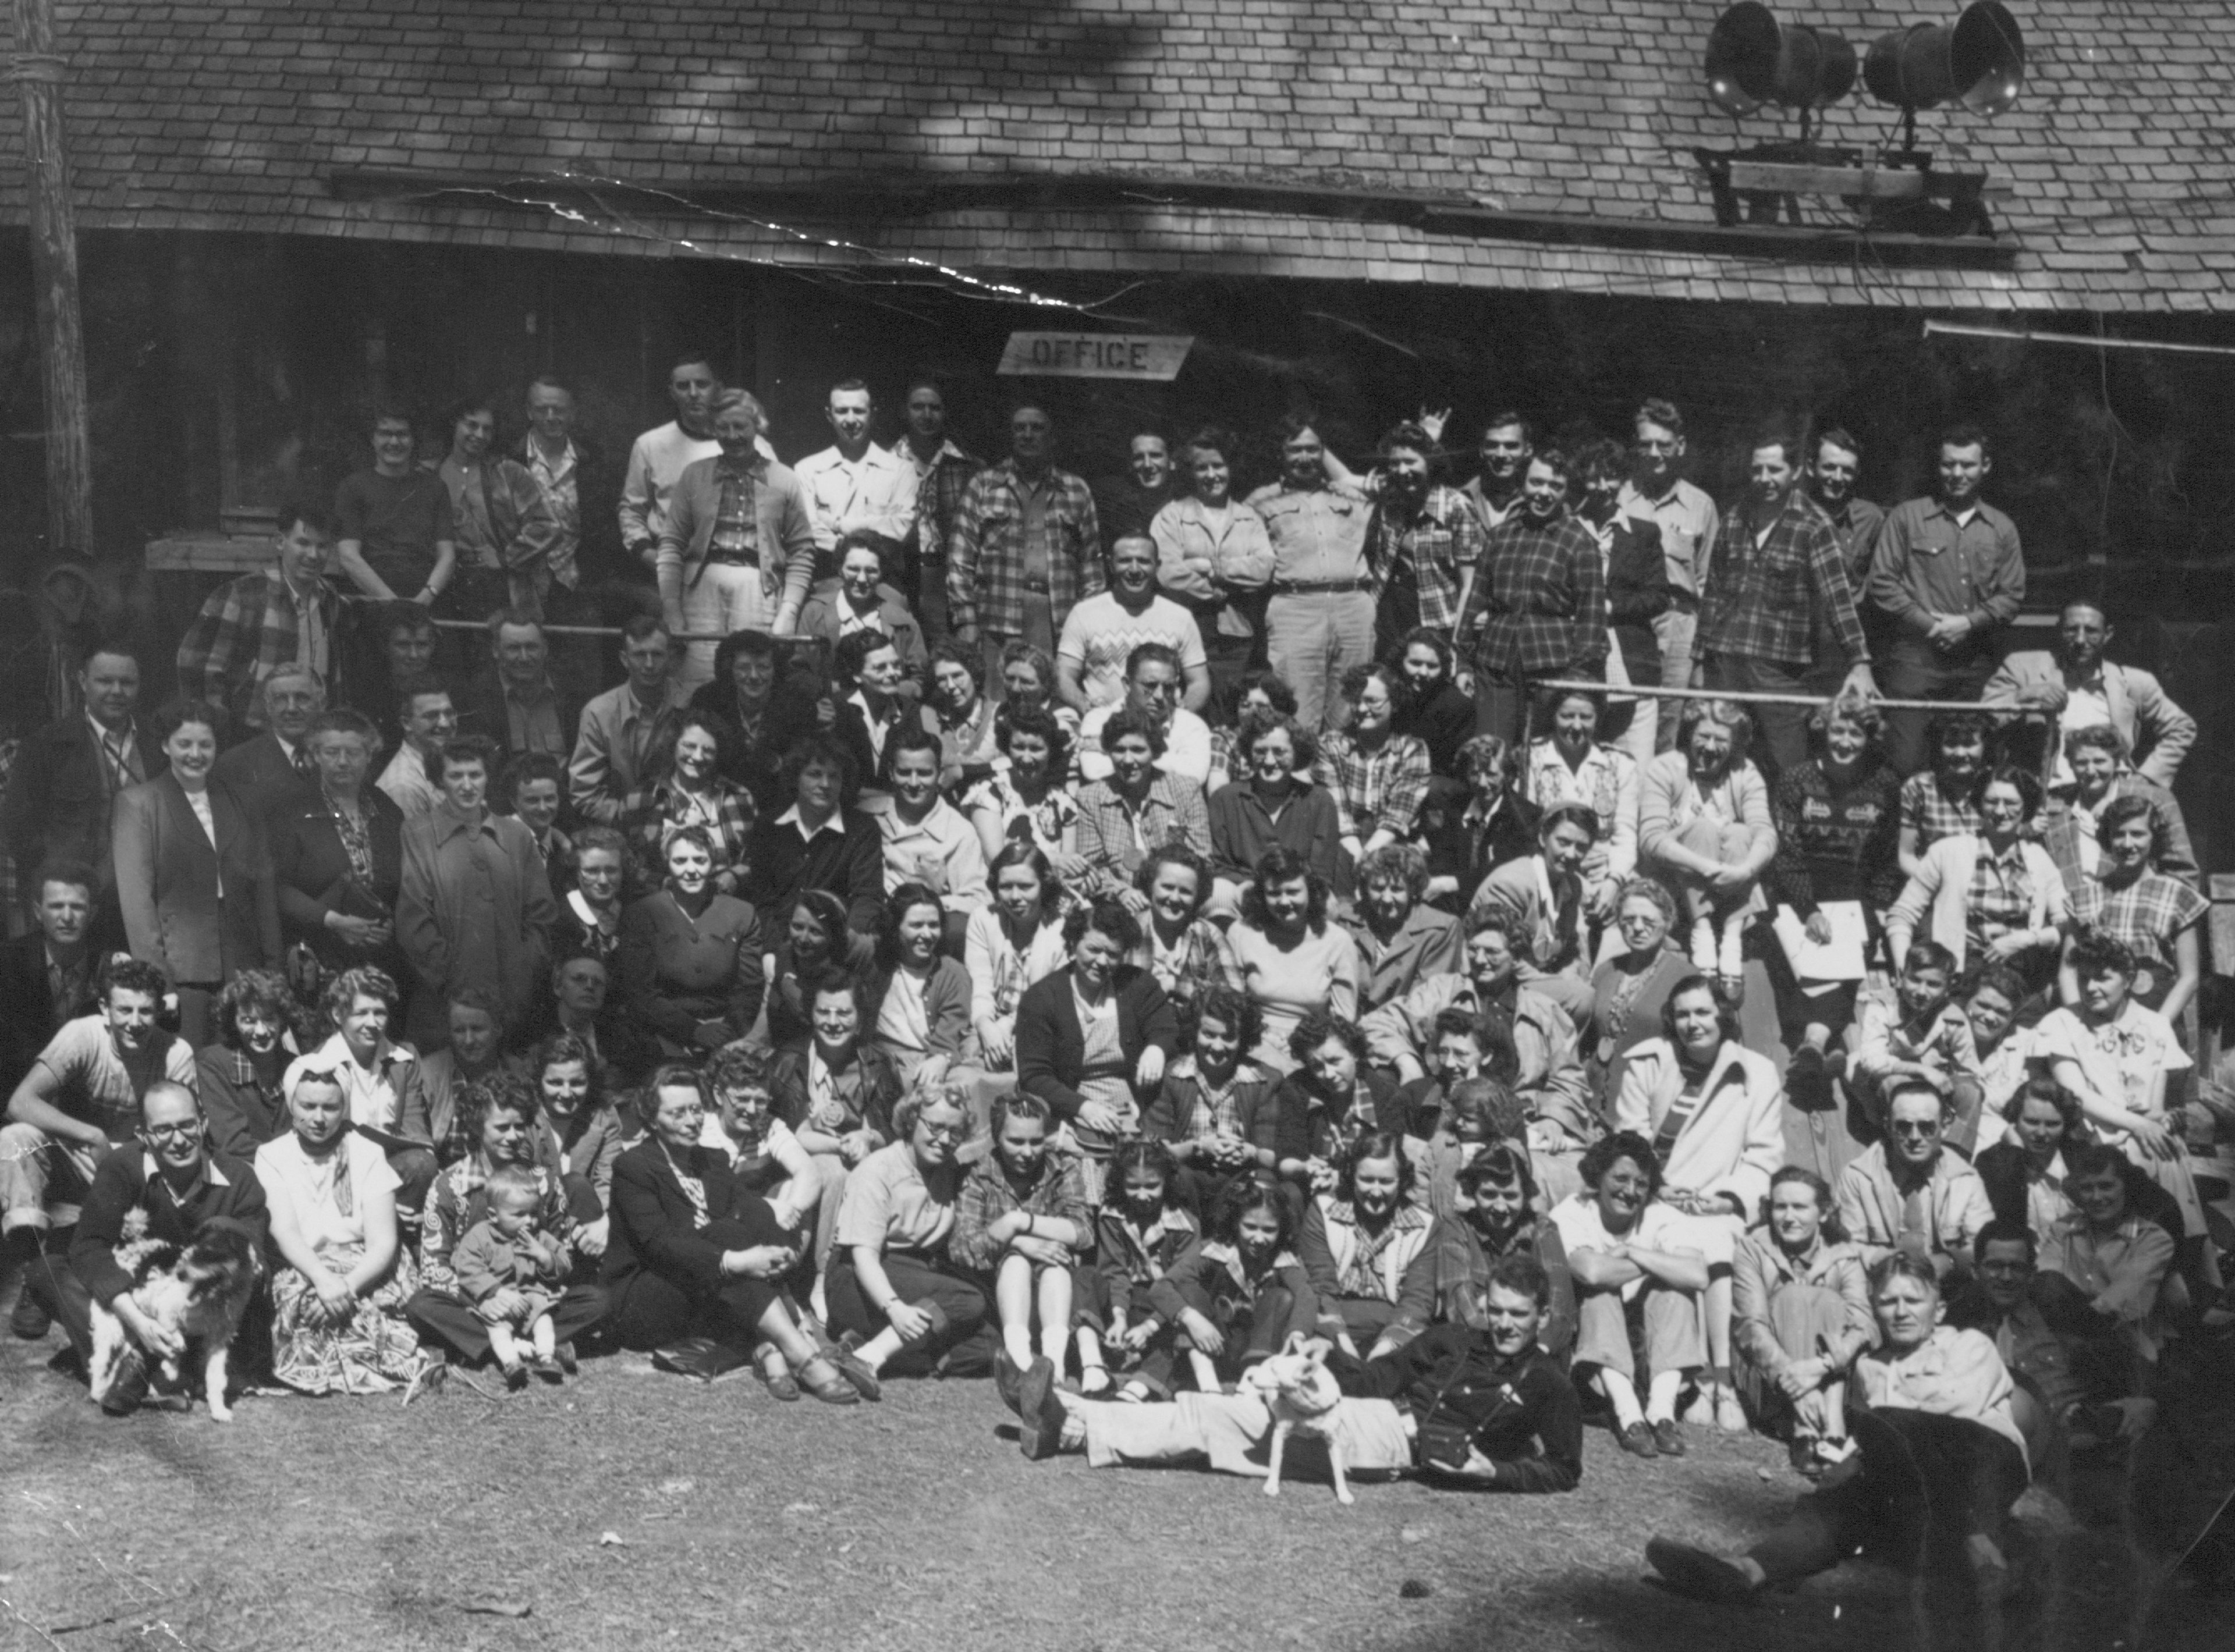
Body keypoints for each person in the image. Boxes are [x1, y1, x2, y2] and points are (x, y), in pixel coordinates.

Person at [1645, 1253, 2030, 1608]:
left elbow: (1956, 1406)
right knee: (1835, 1502)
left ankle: (1982, 1550)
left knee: (1887, 1427)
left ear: (1939, 1308)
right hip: (1914, 1484)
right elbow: (1884, 1444)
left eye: (1913, 1301)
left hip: (1981, 1462)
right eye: (1887, 1302)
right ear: (1874, 1309)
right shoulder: (1868, 1367)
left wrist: (1866, 1448)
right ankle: (1747, 1570)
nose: (1900, 1312)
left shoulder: (1968, 1344)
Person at [605, 1064, 867, 1399]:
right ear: (652, 1118)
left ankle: (771, 1350)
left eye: (696, 1110)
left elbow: (751, 1207)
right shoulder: (634, 1167)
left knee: (735, 1227)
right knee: (724, 1236)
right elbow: (661, 1244)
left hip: (703, 1289)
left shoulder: (712, 1160)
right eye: (677, 1113)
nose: (691, 1121)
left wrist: (777, 1250)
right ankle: (801, 1353)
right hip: (646, 1298)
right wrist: (735, 1262)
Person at [1614, 974, 1786, 1431]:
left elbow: (1764, 1154)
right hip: (1657, 1198)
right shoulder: (1649, 1063)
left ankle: (1722, 1380)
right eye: (1684, 1014)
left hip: (1719, 1201)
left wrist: (1727, 1200)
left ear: (1723, 1015)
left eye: (1704, 1012)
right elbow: (1628, 1141)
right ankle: (1703, 1378)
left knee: (1717, 1241)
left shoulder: (1758, 1071)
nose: (1694, 1024)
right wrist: (1656, 1187)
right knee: (1683, 1240)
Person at [35, 1080, 268, 1411]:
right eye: (163, 1130)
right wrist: (139, 1323)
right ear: (144, 1136)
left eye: (187, 1125)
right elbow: (90, 1246)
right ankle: (151, 1367)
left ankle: (142, 1372)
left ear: (203, 1123)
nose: (179, 1140)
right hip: (138, 1298)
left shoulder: (239, 1179)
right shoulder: (122, 1168)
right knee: (49, 1271)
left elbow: (254, 1259)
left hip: (201, 1311)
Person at [1, 960, 198, 1338]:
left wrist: (127, 1162)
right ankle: (33, 1271)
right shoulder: (83, 1035)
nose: (135, 1021)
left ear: (159, 1011)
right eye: (124, 1009)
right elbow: (20, 1101)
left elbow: (184, 1133)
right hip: (79, 1155)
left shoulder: (176, 1053)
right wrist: (90, 1135)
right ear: (106, 1009)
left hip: (140, 1163)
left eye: (145, 1010)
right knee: (15, 1139)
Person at [1361, 910, 1595, 1202]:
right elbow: (1377, 1023)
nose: (1481, 960)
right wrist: (1406, 1060)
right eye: (1474, 949)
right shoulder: (1443, 992)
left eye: (1493, 952)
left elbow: (1569, 1077)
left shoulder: (1543, 1011)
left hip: (1522, 1118)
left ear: (1516, 956)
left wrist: (1555, 1118)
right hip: (1452, 1113)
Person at [2032, 931, 2209, 1296]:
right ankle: (2170, 1274)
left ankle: (2173, 1268)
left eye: (2103, 977)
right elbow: (2076, 1095)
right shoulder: (2061, 1024)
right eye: (2084, 977)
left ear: (2128, 980)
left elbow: (2155, 1105)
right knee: (2139, 1154)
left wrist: (2159, 1121)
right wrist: (2141, 1125)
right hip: (2091, 1138)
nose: (2091, 987)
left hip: (2142, 1135)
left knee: (2164, 1148)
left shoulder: (2156, 1025)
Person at [1695, 429, 1876, 776]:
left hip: (1781, 672)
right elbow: (1713, 594)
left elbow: (1838, 599)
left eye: (1774, 470)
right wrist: (1698, 659)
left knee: (1787, 765)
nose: (1764, 480)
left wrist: (1860, 662)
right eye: (1757, 470)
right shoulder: (1734, 518)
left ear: (1795, 472)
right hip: (1726, 665)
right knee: (1718, 753)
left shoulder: (1814, 525)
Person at [109, 701, 279, 1050]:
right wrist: (160, 984)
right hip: (182, 970)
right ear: (165, 746)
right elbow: (137, 904)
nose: (196, 754)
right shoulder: (140, 803)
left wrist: (273, 968)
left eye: (206, 744)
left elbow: (264, 886)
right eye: (184, 744)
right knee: (190, 1067)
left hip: (244, 965)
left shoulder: (241, 799)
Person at [254, 1063, 432, 1394]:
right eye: (308, 1106)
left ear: (344, 1108)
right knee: (303, 1306)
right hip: (305, 1263)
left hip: (364, 1264)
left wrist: (346, 1288)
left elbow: (382, 1242)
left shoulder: (367, 1152)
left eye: (330, 1107)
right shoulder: (272, 1155)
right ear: (292, 1104)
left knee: (369, 1307)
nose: (319, 1118)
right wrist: (324, 1281)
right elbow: (287, 1232)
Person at [1868, 424, 2027, 775]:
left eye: (1967, 465)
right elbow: (1882, 583)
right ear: (1937, 465)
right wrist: (1932, 626)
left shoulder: (2001, 528)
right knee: (1906, 762)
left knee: (1966, 762)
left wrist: (1968, 624)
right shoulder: (1906, 517)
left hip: (1973, 666)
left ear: (1985, 467)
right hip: (1914, 662)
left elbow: (2012, 595)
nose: (1957, 474)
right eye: (1948, 464)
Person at [1767, 699, 1902, 1110]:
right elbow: (1786, 853)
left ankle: (1812, 1043)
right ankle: (1821, 1042)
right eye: (1838, 731)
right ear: (1823, 732)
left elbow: (1884, 855)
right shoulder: (1797, 780)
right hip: (1799, 887)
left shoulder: (1884, 784)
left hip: (1856, 892)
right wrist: (1808, 909)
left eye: (1856, 733)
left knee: (1847, 957)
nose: (1845, 741)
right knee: (1804, 954)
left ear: (1868, 738)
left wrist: (1878, 907)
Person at [1552, 1130, 1712, 1458]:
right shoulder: (1574, 1211)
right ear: (1599, 1177)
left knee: (1676, 1294)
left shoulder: (1659, 1214)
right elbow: (1591, 1271)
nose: (1631, 1192)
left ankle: (1662, 1412)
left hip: (1647, 1348)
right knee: (1600, 1293)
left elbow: (1697, 1275)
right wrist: (1661, 1263)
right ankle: (1628, 1414)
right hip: (1592, 1356)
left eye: (1641, 1184)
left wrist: (1634, 1253)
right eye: (1621, 1179)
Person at [826, 1080, 995, 1380]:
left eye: (955, 1132)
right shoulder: (878, 1170)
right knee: (969, 1300)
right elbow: (864, 1256)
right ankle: (872, 1356)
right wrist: (895, 1309)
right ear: (911, 1120)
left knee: (989, 1346)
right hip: (858, 1279)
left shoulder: (947, 1167)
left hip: (914, 1277)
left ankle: (864, 1345)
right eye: (935, 1127)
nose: (944, 1140)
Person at [396, 734, 557, 1048]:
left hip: (512, 1000)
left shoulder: (516, 835)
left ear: (488, 778)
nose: (467, 785)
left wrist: (521, 971)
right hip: (446, 1004)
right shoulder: (417, 834)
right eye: (456, 776)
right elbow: (414, 922)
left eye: (475, 775)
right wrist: (457, 986)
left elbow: (543, 916)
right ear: (439, 781)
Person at [1015, 898, 1178, 1196]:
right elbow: (1033, 1075)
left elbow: (1166, 1027)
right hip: (1072, 1108)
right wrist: (1084, 1108)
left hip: (1135, 1106)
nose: (1102, 962)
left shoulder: (1137, 985)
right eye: (1093, 950)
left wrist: (1157, 1048)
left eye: (1113, 954)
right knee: (1089, 1183)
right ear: (1074, 944)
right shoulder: (1042, 999)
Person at [656, 388, 817, 691]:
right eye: (723, 428)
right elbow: (671, 543)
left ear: (757, 426)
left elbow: (802, 550)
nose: (732, 436)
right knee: (695, 679)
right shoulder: (694, 476)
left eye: (740, 426)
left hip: (759, 587)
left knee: (752, 677)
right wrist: (672, 608)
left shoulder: (784, 479)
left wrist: (789, 610)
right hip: (700, 588)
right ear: (712, 429)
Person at [948, 402, 1104, 692]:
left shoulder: (1076, 490)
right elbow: (960, 560)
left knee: (1053, 704)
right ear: (1010, 436)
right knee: (997, 703)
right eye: (1020, 428)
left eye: (1037, 428)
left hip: (1058, 621)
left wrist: (1087, 625)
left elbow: (1092, 567)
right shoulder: (983, 486)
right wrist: (965, 619)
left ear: (1052, 437)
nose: (1028, 435)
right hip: (997, 620)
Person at [1456, 443, 1605, 743]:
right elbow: (1475, 601)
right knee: (1491, 749)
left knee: (1537, 754)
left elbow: (1592, 617)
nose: (1544, 493)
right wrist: (1463, 662)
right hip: (1496, 664)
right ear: (1523, 482)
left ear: (1566, 492)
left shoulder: (1579, 542)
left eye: (1556, 486)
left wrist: (1576, 679)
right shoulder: (1500, 536)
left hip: (1551, 667)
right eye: (1537, 482)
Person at [769, 968, 904, 1296]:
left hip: (868, 1166)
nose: (833, 1021)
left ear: (859, 1020)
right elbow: (776, 1131)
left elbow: (897, 1129)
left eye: (844, 1013)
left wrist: (868, 1138)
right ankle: (822, 1278)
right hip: (796, 1173)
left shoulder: (878, 1064)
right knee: (831, 1170)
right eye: (823, 1012)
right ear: (811, 1016)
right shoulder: (787, 1062)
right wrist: (836, 1145)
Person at [1732, 1166, 1872, 1474]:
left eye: (1800, 1207)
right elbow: (1750, 1326)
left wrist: (1819, 1367)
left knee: (1829, 1301)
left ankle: (1831, 1424)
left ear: (1823, 1213)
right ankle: (1806, 1429)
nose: (1789, 1217)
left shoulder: (1844, 1256)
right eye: (1780, 1207)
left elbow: (1864, 1325)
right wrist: (1796, 1383)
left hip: (1831, 1384)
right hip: (1770, 1383)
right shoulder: (1753, 1248)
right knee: (1793, 1297)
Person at [1639, 698, 1776, 996]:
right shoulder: (1664, 768)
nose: (1711, 747)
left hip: (1730, 889)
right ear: (1689, 734)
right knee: (1700, 827)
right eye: (1703, 737)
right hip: (1673, 887)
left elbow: (1766, 833)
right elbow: (1651, 839)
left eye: (1721, 740)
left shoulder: (1746, 773)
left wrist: (1746, 870)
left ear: (1736, 743)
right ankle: (1702, 934)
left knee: (1742, 833)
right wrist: (1706, 866)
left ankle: (1731, 941)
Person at [1983, 598, 2194, 790]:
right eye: (2071, 630)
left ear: (2108, 634)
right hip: (2046, 798)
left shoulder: (2133, 682)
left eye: (2091, 631)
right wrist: (2025, 696)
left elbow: (2182, 727)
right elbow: (1985, 717)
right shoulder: (2023, 668)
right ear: (2059, 631)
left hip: (2111, 802)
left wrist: (2147, 779)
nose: (2080, 640)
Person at [951, 1092, 1092, 1379]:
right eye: (1016, 1141)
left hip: (1054, 1297)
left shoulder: (1063, 1168)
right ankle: (1018, 1359)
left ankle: (1054, 1365)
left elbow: (1082, 1232)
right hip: (998, 1295)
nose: (1028, 1153)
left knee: (1055, 1266)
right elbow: (962, 1246)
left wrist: (1019, 1222)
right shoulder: (978, 1173)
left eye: (1036, 1141)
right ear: (996, 1136)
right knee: (1016, 1261)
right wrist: (1017, 1241)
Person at [1250, 413, 1375, 736]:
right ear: (1280, 453)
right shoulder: (1261, 501)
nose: (1304, 458)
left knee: (1351, 706)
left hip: (1353, 607)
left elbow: (1393, 483)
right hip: (1295, 607)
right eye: (1295, 450)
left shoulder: (1352, 495)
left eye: (1312, 449)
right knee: (1296, 707)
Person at [1398, 1138, 1578, 1360]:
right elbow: (1460, 1305)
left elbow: (1559, 1307)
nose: (1500, 1207)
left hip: (1539, 1355)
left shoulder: (1543, 1230)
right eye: (1489, 1195)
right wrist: (1503, 1349)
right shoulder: (1457, 1228)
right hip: (1478, 1352)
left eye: (1511, 1196)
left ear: (1526, 1195)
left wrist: (1532, 1353)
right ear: (1473, 1193)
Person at [1887, 764, 2067, 984]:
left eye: (2011, 803)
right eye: (1992, 802)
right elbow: (1902, 914)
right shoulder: (1948, 851)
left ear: (2026, 807)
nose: (2000, 812)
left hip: (2019, 979)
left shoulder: (2039, 859)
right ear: (1980, 804)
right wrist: (1904, 966)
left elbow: (2064, 925)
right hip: (1960, 977)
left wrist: (2026, 939)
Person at [4, 648, 160, 893]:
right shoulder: (46, 745)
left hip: (146, 894)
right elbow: (20, 827)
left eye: (127, 682)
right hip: (74, 898)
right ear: (82, 682)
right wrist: (52, 881)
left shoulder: (159, 744)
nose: (117, 691)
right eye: (105, 681)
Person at [177, 503, 342, 736]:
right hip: (250, 736)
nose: (313, 555)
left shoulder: (329, 600)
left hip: (310, 736)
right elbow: (198, 668)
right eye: (303, 543)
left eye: (323, 546)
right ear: (280, 542)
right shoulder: (244, 595)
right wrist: (219, 730)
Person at [270, 708, 406, 979]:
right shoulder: (291, 810)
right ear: (316, 755)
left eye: (353, 753)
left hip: (382, 957)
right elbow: (277, 887)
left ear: (369, 756)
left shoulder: (386, 809)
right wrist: (333, 921)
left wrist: (392, 923)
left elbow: (404, 882)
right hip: (321, 956)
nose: (343, 762)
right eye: (332, 752)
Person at [1155, 1176, 1320, 1394]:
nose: (1259, 1239)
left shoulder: (1284, 1259)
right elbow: (1162, 1287)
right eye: (1250, 1227)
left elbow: (1307, 1295)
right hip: (1214, 1344)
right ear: (1235, 1223)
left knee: (1283, 1296)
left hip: (1257, 1347)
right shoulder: (1215, 1251)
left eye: (1269, 1230)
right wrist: (1191, 1318)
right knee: (1188, 1290)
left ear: (1282, 1229)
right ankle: (1209, 1387)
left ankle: (1252, 1381)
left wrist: (1298, 1332)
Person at [1152, 429, 1274, 715]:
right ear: (1190, 473)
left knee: (1229, 707)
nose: (1211, 475)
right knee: (1185, 707)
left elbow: (1264, 567)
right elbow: (1166, 571)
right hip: (1186, 626)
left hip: (1236, 630)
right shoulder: (1172, 516)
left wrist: (1209, 567)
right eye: (1201, 467)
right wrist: (1214, 591)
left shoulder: (1249, 517)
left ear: (1230, 468)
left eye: (1218, 466)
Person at [619, 827, 766, 1061]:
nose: (691, 870)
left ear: (713, 863)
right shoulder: (642, 914)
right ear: (667, 864)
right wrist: (692, 1031)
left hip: (726, 1034)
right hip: (662, 1034)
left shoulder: (742, 913)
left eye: (700, 860)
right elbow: (640, 991)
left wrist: (726, 1035)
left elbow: (749, 988)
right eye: (680, 861)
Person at [1573, 436, 1676, 766]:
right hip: (1578, 658)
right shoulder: (1566, 530)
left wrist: (1613, 608)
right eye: (1593, 478)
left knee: (1635, 764)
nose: (1602, 487)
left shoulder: (1644, 533)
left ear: (1624, 480)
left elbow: (1659, 596)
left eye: (1611, 477)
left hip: (1632, 662)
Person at [1616, 399, 1719, 728]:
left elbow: (1707, 583)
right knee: (1629, 714)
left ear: (1680, 447)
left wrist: (1701, 648)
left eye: (1664, 445)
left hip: (1679, 624)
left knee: (1669, 721)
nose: (1655, 453)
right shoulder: (1619, 498)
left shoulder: (1701, 506)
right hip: (1630, 621)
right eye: (1646, 444)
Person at [1138, 983, 1279, 1218]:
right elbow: (1153, 1151)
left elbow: (1273, 1154)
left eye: (1229, 1037)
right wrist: (1197, 1147)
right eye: (1209, 1034)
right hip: (1186, 1182)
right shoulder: (1172, 1076)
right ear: (1195, 1032)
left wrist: (1250, 1152)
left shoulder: (1265, 1081)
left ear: (1243, 1039)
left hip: (1240, 1183)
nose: (1217, 1046)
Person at [2062, 794, 2206, 1022]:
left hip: (2157, 1014)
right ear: (2108, 839)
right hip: (2096, 1018)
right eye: (2119, 834)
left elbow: (2189, 977)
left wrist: (2158, 1026)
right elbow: (2068, 970)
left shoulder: (2178, 896)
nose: (2128, 844)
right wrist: (2078, 1022)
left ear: (2154, 838)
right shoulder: (2086, 897)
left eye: (2137, 834)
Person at [1833, 1078, 1995, 1278]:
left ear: (1944, 1126)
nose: (1915, 1137)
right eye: (1904, 1127)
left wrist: (1950, 1261)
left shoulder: (1965, 1180)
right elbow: (1847, 1248)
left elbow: (1986, 1248)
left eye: (1927, 1127)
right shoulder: (1858, 1177)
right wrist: (1889, 1262)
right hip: (1880, 1286)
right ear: (1888, 1126)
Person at [1299, 1131, 1438, 1359]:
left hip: (1393, 1329)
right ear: (1351, 1176)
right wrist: (1339, 1340)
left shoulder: (1424, 1225)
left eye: (1386, 1182)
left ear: (1402, 1180)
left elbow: (1418, 1299)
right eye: (1366, 1180)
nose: (1375, 1192)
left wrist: (1386, 1348)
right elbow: (1320, 1285)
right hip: (1333, 1325)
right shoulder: (1323, 1211)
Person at [620, 351, 760, 575]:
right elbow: (632, 510)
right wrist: (649, 556)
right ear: (672, 393)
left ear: (719, 388)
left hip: (739, 570)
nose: (693, 394)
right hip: (672, 569)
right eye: (683, 386)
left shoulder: (753, 445)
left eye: (702, 384)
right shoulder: (650, 445)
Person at [2039, 1140, 2181, 1361]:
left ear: (2126, 1187)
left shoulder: (2153, 1239)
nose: (2097, 1198)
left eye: (2106, 1186)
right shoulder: (2063, 1230)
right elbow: (2044, 1284)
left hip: (2125, 1347)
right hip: (2062, 1341)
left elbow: (2118, 1303)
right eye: (2087, 1188)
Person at [1081, 1139, 1200, 1399]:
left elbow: (1179, 1288)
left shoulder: (1186, 1226)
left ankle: (1141, 1386)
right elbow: (1115, 1271)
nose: (1142, 1196)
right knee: (1087, 1277)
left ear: (1167, 1183)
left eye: (1152, 1186)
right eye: (1133, 1186)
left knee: (1184, 1319)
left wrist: (1149, 1327)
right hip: (1125, 1299)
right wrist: (1120, 1316)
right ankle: (1091, 1365)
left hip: (1162, 1309)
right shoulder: (1112, 1217)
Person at [1466, 801, 1601, 1030]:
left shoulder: (1573, 885)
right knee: (1582, 998)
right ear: (1543, 839)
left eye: (1581, 847)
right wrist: (1558, 983)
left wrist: (1570, 973)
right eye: (1564, 842)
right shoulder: (1512, 884)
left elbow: (1569, 948)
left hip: (1531, 978)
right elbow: (1502, 958)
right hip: (1494, 979)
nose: (1571, 854)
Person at [1228, 847, 1362, 1077]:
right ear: (1262, 894)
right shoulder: (1242, 933)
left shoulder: (1338, 941)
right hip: (1254, 1043)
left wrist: (1302, 1048)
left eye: (1293, 892)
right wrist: (1264, 1046)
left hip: (1311, 1049)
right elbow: (1232, 1006)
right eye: (1274, 893)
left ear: (1310, 891)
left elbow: (1342, 1022)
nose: (1284, 901)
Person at [739, 735, 884, 945]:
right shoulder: (768, 826)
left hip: (835, 943)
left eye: (834, 776)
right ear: (796, 777)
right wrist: (775, 949)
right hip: (774, 940)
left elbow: (867, 898)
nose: (825, 784)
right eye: (815, 774)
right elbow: (762, 899)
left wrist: (842, 943)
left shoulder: (863, 830)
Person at [861, 724, 990, 949]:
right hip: (872, 927)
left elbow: (978, 899)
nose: (913, 783)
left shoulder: (958, 831)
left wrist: (926, 904)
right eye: (904, 772)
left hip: (925, 936)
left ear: (939, 774)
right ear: (891, 772)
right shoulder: (868, 815)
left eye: (924, 773)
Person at [449, 1161, 575, 1388]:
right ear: (494, 1215)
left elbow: (565, 1263)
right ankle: (512, 1363)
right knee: (497, 1331)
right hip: (498, 1304)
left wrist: (545, 1257)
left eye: (534, 1213)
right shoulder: (480, 1236)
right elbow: (467, 1267)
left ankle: (546, 1357)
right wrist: (494, 1291)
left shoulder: (541, 1236)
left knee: (545, 1319)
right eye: (519, 1214)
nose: (529, 1221)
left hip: (532, 1300)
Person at [1367, 420, 1484, 663]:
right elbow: (1345, 478)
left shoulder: (1456, 507)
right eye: (1395, 463)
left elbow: (1469, 586)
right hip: (1391, 614)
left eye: (1411, 462)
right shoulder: (1390, 494)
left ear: (1430, 463)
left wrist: (1458, 644)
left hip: (1439, 619)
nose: (1401, 471)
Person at [1850, 942, 1984, 1150]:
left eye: (1933, 984)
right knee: (1895, 1083)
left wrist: (1948, 1076)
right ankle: (1901, 1154)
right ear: (1902, 975)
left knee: (1971, 1092)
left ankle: (1955, 1156)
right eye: (1914, 980)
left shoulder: (1954, 1018)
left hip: (1936, 1089)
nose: (1921, 992)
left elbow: (1972, 1072)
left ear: (1949, 986)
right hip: (1888, 1090)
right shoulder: (1884, 1004)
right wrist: (1922, 1070)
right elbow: (1871, 1060)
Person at [435, 395, 561, 617]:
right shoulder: (432, 475)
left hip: (507, 587)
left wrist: (506, 557)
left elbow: (548, 526)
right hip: (449, 587)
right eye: (472, 426)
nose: (479, 435)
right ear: (454, 424)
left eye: (487, 429)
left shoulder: (508, 473)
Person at [1521, 687, 1638, 923]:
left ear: (1598, 718)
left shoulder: (1620, 763)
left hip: (1605, 871)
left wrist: (1613, 881)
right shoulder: (1531, 758)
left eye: (1586, 717)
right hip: (1551, 870)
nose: (1576, 726)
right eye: (1567, 716)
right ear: (1553, 716)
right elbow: (1529, 832)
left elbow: (1625, 833)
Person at [1072, 706, 1212, 904]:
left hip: (1176, 901)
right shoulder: (1091, 798)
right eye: (1119, 750)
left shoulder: (1186, 791)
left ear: (1154, 752)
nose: (1128, 760)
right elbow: (1092, 868)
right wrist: (1121, 893)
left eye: (1138, 750)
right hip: (1117, 904)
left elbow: (1202, 861)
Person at [2039, 723, 2198, 897]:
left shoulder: (2155, 800)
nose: (2090, 771)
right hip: (2071, 914)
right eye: (2081, 763)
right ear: (2070, 765)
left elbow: (2183, 873)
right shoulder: (2055, 808)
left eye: (2100, 761)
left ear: (2117, 761)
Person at [1060, 532, 1209, 716]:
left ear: (1157, 566)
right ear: (1111, 565)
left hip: (1163, 727)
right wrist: (1085, 706)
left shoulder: (1181, 617)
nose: (1134, 569)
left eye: (1144, 561)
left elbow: (1199, 682)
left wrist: (1180, 715)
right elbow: (1064, 676)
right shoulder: (1084, 614)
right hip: (1104, 726)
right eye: (1125, 561)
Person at [1208, 717, 1346, 910]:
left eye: (1279, 752)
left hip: (1297, 897)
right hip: (1245, 894)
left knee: (1328, 906)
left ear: (1296, 752)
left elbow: (1321, 873)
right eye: (1260, 752)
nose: (1270, 761)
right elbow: (1219, 865)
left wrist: (1284, 890)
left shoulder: (1320, 801)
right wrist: (1253, 885)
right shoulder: (1225, 799)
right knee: (1219, 894)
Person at [332, 404, 456, 608]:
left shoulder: (435, 488)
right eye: (385, 434)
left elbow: (447, 556)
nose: (394, 442)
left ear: (413, 439)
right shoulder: (353, 487)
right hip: (371, 602)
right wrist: (393, 603)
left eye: (403, 434)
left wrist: (425, 598)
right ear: (373, 439)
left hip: (426, 602)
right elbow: (348, 555)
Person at [620, 714, 757, 896]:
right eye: (690, 746)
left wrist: (735, 876)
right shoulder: (639, 800)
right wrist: (662, 883)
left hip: (724, 908)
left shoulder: (739, 797)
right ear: (673, 746)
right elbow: (623, 862)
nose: (698, 757)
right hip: (658, 908)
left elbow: (757, 859)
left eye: (708, 750)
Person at [570, 616, 686, 827]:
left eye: (657, 655)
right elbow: (585, 792)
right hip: (621, 825)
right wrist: (631, 820)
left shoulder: (689, 705)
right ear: (624, 659)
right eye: (640, 655)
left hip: (681, 822)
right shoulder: (599, 713)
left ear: (670, 657)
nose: (649, 664)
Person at [964, 843, 1069, 1076]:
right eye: (1006, 887)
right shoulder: (983, 920)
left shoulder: (1062, 930)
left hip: (1040, 1027)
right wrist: (985, 1026)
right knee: (972, 1063)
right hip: (990, 1024)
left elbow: (1048, 1001)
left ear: (1044, 885)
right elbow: (980, 985)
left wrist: (1007, 1026)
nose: (1015, 897)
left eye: (1025, 887)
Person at [1315, 662, 1430, 872]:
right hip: (1346, 844)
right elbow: (1338, 811)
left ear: (1393, 704)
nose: (1361, 709)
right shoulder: (1330, 745)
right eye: (1356, 701)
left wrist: (1367, 857)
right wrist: (1358, 856)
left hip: (1394, 844)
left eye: (1372, 701)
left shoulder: (1413, 750)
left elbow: (1398, 817)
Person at [0, 862, 100, 1097]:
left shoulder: (108, 965)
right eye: (56, 906)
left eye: (77, 907)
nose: (67, 917)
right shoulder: (8, 963)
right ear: (37, 912)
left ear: (92, 914)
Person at [893, 377, 981, 640]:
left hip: (946, 578)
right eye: (918, 407)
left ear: (945, 413)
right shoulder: (885, 463)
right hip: (899, 576)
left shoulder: (968, 467)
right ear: (905, 412)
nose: (926, 415)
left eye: (935, 408)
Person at [1587, 877, 1695, 1090]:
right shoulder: (1606, 971)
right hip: (1596, 1090)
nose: (1637, 928)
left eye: (1648, 920)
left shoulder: (1686, 977)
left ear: (1667, 922)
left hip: (1652, 1091)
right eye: (1628, 920)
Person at [792, 378, 920, 559]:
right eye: (842, 411)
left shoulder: (901, 471)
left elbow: (901, 526)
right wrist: (871, 530)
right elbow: (806, 527)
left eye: (859, 411)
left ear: (873, 414)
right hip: (826, 578)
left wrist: (838, 524)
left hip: (883, 578)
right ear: (829, 415)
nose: (851, 420)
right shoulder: (807, 470)